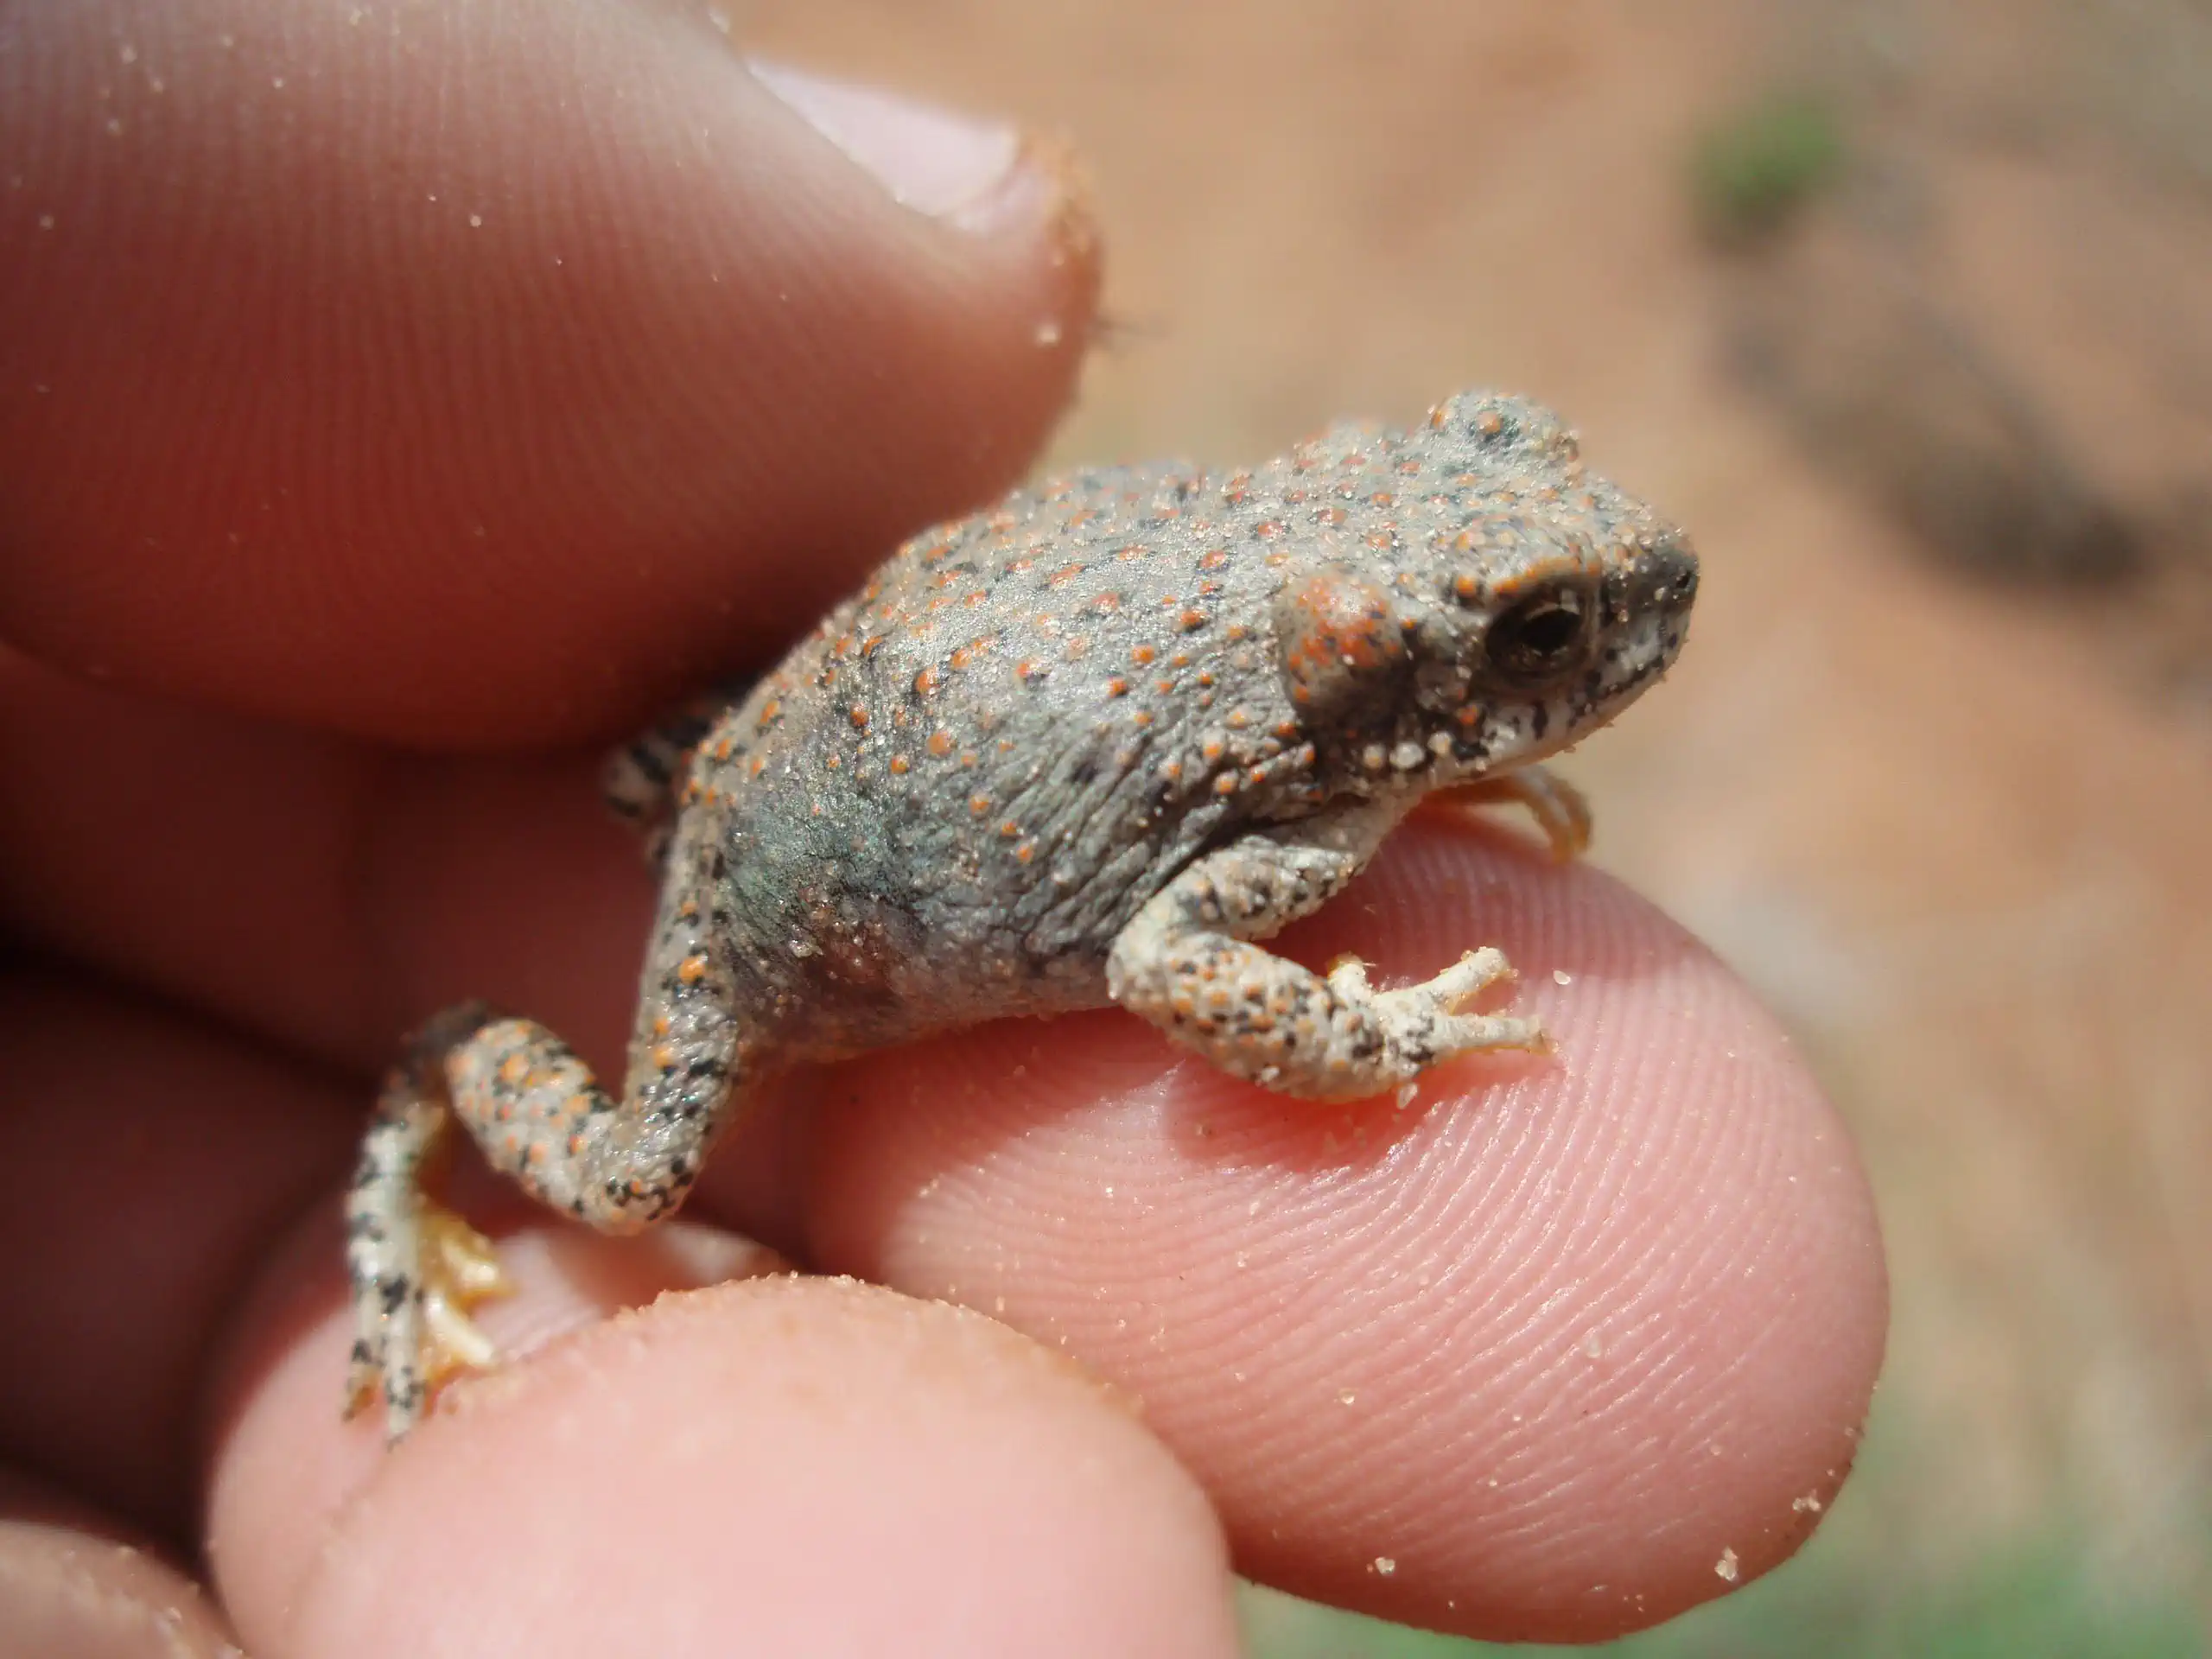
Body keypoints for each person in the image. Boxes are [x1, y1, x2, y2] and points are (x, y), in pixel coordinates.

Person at [0, 7, 1886, 1653]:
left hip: (827, 733)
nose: (1623, 617)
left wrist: (1415, 766)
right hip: (771, 903)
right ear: (1380, 666)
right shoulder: (1292, 821)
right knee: (634, 1178)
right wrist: (1370, 1035)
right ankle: (429, 1096)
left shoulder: (1324, 744)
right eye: (1539, 636)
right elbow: (1171, 961)